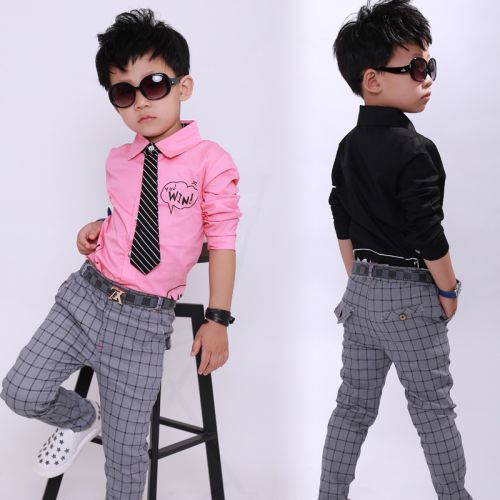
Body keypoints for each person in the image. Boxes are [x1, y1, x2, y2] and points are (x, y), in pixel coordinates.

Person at [1, 9, 240, 500]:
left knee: (127, 456)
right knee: (20, 390)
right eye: (124, 92)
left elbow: (220, 240)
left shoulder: (210, 161)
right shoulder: (119, 161)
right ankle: (82, 419)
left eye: (154, 84)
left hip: (142, 324)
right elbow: (132, 217)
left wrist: (218, 318)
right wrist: (96, 228)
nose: (141, 101)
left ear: (183, 86)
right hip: (84, 299)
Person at [318, 1, 472, 499]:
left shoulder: (347, 146)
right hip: (411, 298)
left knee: (352, 407)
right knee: (433, 409)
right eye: (416, 68)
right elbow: (427, 231)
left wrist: (359, 278)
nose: (427, 79)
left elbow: (341, 217)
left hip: (360, 295)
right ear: (373, 79)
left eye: (430, 66)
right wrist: (447, 289)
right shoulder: (416, 149)